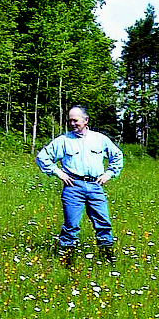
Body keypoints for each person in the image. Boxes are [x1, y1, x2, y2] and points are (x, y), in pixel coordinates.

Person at [36, 105, 123, 264]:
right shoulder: (63, 141)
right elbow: (43, 157)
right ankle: (67, 261)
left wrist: (108, 174)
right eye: (70, 121)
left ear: (86, 120)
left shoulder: (100, 139)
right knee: (71, 225)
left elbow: (117, 156)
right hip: (73, 187)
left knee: (104, 223)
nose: (72, 124)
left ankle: (108, 259)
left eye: (75, 120)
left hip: (96, 186)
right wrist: (59, 173)